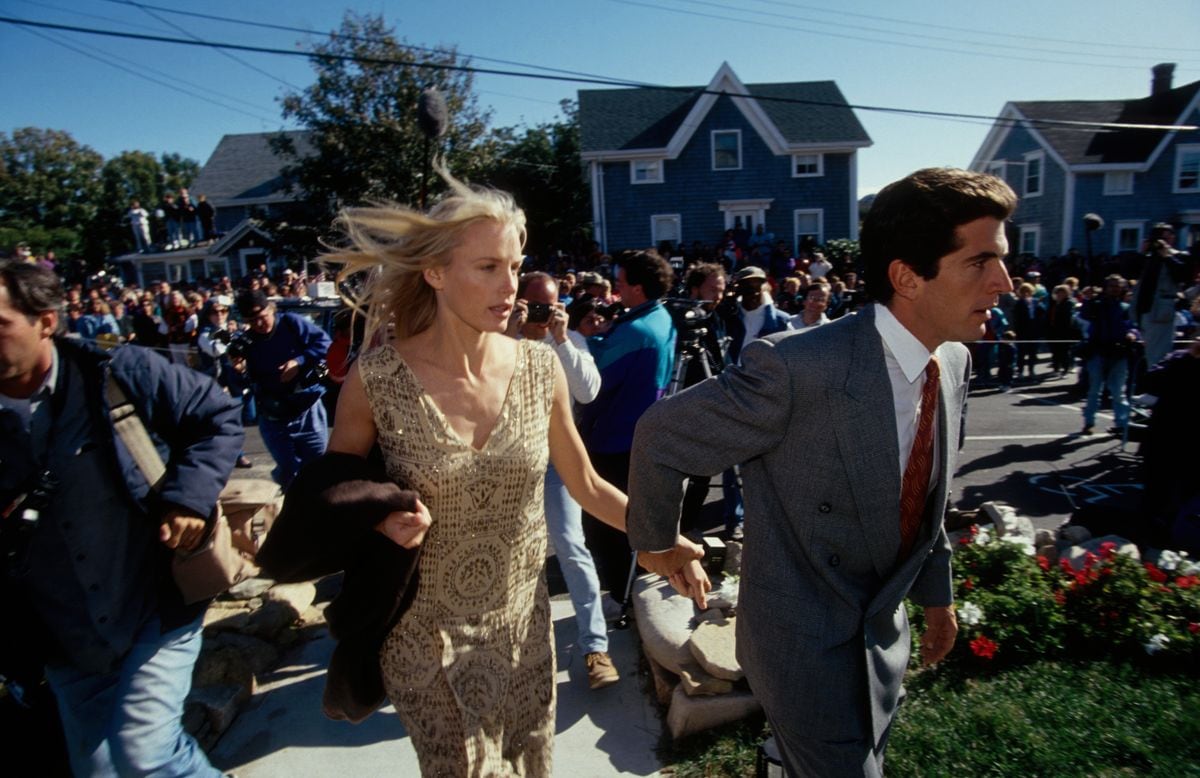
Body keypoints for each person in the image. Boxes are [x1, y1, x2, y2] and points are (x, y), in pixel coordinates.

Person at [627, 167, 1018, 777]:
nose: (1006, 282)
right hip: (801, 645)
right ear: (906, 277)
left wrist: (936, 599)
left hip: (881, 640)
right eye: (980, 263)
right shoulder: (797, 367)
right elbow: (661, 434)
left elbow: (927, 496)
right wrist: (657, 542)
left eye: (1002, 260)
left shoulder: (956, 360)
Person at [320, 177, 706, 775]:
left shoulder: (538, 369)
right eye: (488, 267)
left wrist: (659, 538)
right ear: (436, 273)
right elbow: (335, 495)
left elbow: (587, 485)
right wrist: (377, 520)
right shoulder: (375, 382)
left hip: (521, 634)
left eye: (516, 266)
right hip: (425, 635)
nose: (511, 287)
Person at [0, 260, 243, 777]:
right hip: (63, 637)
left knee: (146, 753)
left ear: (45, 320)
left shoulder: (116, 373)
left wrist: (188, 499)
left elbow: (217, 417)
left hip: (153, 606)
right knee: (99, 772)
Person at [506, 271, 617, 689]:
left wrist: (561, 339)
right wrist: (511, 334)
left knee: (571, 545)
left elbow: (588, 391)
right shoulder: (499, 342)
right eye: (532, 307)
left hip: (557, 460)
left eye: (548, 308)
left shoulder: (568, 342)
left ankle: (595, 648)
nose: (539, 316)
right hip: (509, 461)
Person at [577, 249, 678, 602]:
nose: (616, 289)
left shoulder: (635, 330)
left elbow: (592, 378)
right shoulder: (661, 317)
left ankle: (621, 595)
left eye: (620, 283)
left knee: (605, 525)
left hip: (615, 439)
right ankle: (630, 591)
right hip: (642, 431)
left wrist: (580, 336)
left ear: (637, 287)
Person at [232, 290, 330, 487]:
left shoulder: (291, 323)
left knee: (318, 466)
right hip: (273, 414)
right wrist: (239, 369)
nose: (259, 325)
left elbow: (325, 344)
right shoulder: (247, 341)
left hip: (307, 410)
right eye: (252, 321)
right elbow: (243, 380)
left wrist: (298, 361)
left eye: (262, 317)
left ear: (271, 309)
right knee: (288, 469)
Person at [1079, 274, 1138, 435]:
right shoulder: (1096, 304)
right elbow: (1083, 315)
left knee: (1118, 391)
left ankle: (1121, 423)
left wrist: (1132, 334)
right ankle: (1089, 422)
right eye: (1111, 285)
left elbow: (1134, 325)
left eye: (1117, 286)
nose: (1114, 289)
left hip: (1119, 352)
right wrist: (1088, 298)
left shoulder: (1125, 308)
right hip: (1098, 350)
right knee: (1094, 390)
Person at [720, 265, 792, 364]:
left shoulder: (782, 321)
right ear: (738, 289)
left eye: (758, 286)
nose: (754, 292)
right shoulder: (727, 317)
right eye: (747, 287)